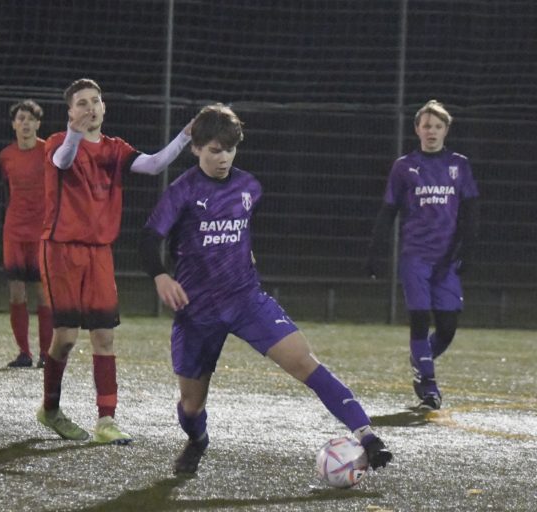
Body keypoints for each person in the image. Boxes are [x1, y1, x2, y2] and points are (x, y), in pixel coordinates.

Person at [138, 103, 393, 474]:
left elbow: (239, 232)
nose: (223, 157)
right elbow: (148, 239)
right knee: (191, 405)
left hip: (247, 300)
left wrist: (244, 256)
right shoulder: (182, 191)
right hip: (198, 311)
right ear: (195, 148)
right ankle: (197, 437)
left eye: (229, 149)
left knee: (306, 362)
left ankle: (367, 434)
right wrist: (161, 275)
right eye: (213, 150)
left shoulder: (249, 186)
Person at [36, 78, 193, 445]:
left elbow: (154, 165)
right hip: (60, 250)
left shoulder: (115, 149)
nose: (90, 107)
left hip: (99, 252)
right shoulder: (60, 142)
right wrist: (74, 135)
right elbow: (64, 161)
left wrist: (185, 135)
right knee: (66, 339)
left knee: (104, 337)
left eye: (95, 101)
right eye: (81, 103)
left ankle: (106, 420)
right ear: (70, 112)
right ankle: (50, 409)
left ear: (104, 108)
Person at [366, 99, 480, 411]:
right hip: (415, 256)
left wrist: (468, 249)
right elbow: (388, 211)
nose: (431, 131)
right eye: (426, 125)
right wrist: (375, 252)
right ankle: (429, 388)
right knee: (419, 318)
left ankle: (420, 357)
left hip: (447, 259)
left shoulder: (459, 165)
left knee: (447, 327)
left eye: (437, 126)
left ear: (446, 129)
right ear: (417, 129)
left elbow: (470, 212)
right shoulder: (404, 166)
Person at [0, 99, 52, 369]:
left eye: (30, 119)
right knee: (16, 293)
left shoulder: (48, 152)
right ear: (14, 124)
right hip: (14, 232)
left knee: (43, 293)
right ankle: (24, 353)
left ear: (38, 124)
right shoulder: (6, 155)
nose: (26, 123)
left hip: (41, 233)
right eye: (21, 119)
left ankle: (45, 354)